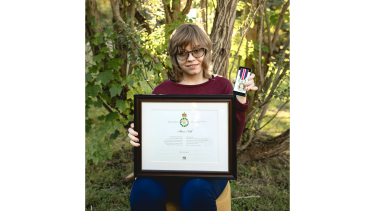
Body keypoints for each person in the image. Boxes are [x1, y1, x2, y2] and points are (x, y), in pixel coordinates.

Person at [128, 23, 258, 211]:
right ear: (175, 57)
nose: (191, 58)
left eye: (197, 51)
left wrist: (239, 100)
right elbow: (150, 137)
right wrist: (136, 134)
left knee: (195, 188)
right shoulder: (162, 91)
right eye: (183, 53)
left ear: (206, 52)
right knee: (142, 188)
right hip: (168, 169)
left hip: (209, 171)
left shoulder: (222, 86)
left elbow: (233, 138)